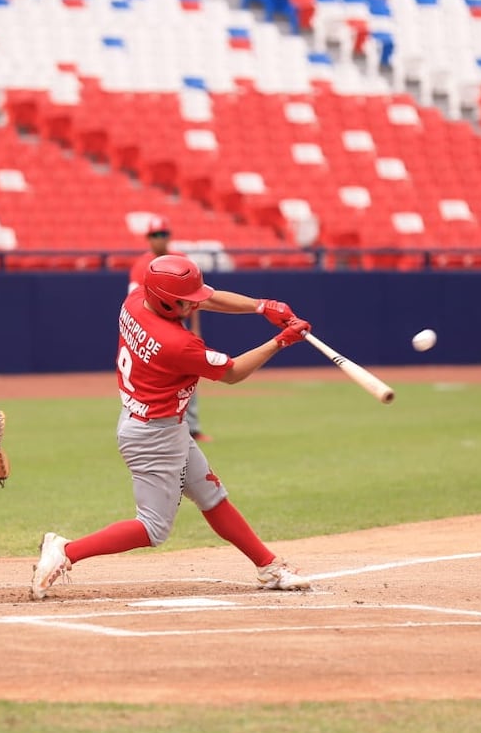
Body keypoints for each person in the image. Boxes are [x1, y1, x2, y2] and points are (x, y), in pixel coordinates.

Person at [30, 254, 312, 600]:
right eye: (184, 302)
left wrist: (262, 306)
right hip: (154, 436)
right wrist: (281, 340)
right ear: (165, 300)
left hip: (158, 424)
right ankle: (66, 550)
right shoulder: (178, 344)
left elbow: (208, 296)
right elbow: (234, 372)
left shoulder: (136, 300)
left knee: (211, 496)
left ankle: (268, 566)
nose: (194, 306)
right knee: (153, 528)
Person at [128, 216, 210, 443]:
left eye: (163, 234)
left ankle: (191, 428)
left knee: (187, 376)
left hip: (177, 324)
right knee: (148, 381)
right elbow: (134, 300)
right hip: (152, 328)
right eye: (155, 235)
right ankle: (140, 422)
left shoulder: (181, 260)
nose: (159, 239)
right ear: (148, 239)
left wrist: (194, 328)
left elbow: (196, 299)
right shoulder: (140, 266)